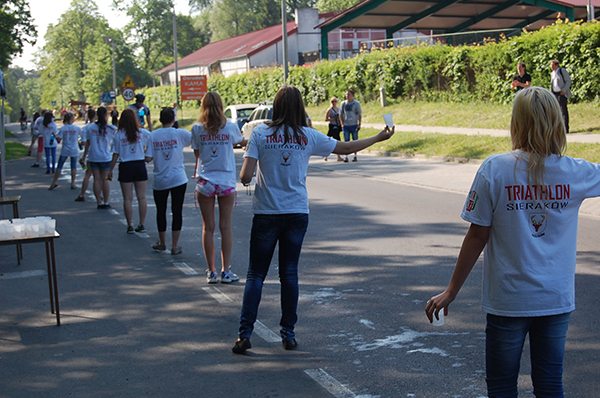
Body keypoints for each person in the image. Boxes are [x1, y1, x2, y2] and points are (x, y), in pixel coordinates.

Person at [424, 86, 600, 397]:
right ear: (557, 122)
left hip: (509, 299)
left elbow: (477, 235)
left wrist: (451, 291)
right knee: (549, 383)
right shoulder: (576, 172)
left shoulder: (495, 169)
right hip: (555, 298)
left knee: (502, 385)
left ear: (516, 123)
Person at [232, 85, 394, 354]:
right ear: (300, 107)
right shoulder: (307, 136)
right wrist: (377, 138)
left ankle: (244, 334)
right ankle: (289, 334)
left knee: (256, 275)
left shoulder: (260, 133)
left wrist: (253, 174)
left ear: (276, 106)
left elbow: (245, 176)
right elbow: (345, 145)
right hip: (296, 213)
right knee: (290, 274)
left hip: (266, 213)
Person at [191, 92, 247, 284]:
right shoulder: (230, 127)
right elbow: (239, 141)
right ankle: (225, 271)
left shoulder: (197, 128)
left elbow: (198, 154)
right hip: (226, 181)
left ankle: (211, 272)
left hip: (205, 182)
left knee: (208, 227)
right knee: (226, 227)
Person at [148, 107, 192, 255]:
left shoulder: (153, 135)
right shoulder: (179, 133)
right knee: (177, 210)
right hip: (178, 178)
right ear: (174, 119)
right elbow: (195, 140)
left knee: (161, 211)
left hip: (160, 179)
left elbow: (148, 158)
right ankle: (174, 245)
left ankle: (162, 243)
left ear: (160, 120)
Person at [109, 108, 152, 234]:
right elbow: (152, 140)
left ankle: (129, 225)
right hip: (139, 164)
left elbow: (115, 154)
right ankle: (142, 224)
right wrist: (149, 154)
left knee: (127, 198)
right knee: (142, 197)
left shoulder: (118, 134)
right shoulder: (141, 132)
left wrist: (110, 169)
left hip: (125, 165)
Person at [81, 106, 117, 209]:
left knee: (96, 179)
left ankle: (99, 202)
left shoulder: (90, 127)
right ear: (106, 115)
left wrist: (84, 156)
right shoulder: (110, 128)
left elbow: (88, 143)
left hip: (93, 156)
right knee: (105, 179)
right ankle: (106, 201)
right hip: (105, 156)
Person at [49, 112, 82, 190]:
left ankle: (54, 182)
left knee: (60, 166)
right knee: (73, 166)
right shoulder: (77, 128)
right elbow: (80, 138)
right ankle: (73, 183)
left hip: (65, 149)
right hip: (74, 149)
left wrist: (55, 135)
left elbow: (59, 140)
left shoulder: (63, 128)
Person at [75, 108, 97, 202]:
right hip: (102, 154)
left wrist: (84, 155)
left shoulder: (86, 128)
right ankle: (100, 195)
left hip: (91, 153)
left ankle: (82, 194)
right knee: (99, 178)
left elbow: (84, 142)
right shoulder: (100, 127)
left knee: (88, 174)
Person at [339, 89, 362, 162]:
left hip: (354, 124)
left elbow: (359, 114)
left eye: (349, 94)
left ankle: (355, 156)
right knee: (346, 141)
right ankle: (346, 156)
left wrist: (359, 124)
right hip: (346, 125)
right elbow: (340, 114)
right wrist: (342, 123)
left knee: (355, 140)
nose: (347, 96)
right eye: (346, 94)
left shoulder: (356, 103)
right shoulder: (343, 103)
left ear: (352, 95)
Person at [550, 59, 572, 134]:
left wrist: (564, 90)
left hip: (561, 93)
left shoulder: (562, 71)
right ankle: (558, 128)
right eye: (551, 65)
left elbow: (568, 81)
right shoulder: (552, 73)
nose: (551, 67)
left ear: (557, 65)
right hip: (555, 94)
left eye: (553, 65)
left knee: (563, 111)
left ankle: (565, 128)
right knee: (556, 111)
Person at [324, 96, 343, 161]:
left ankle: (338, 156)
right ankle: (325, 155)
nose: (334, 103)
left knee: (338, 141)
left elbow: (341, 116)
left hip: (337, 126)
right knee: (328, 141)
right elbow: (326, 119)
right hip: (332, 126)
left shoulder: (338, 108)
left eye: (335, 101)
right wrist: (334, 118)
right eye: (332, 101)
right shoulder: (330, 109)